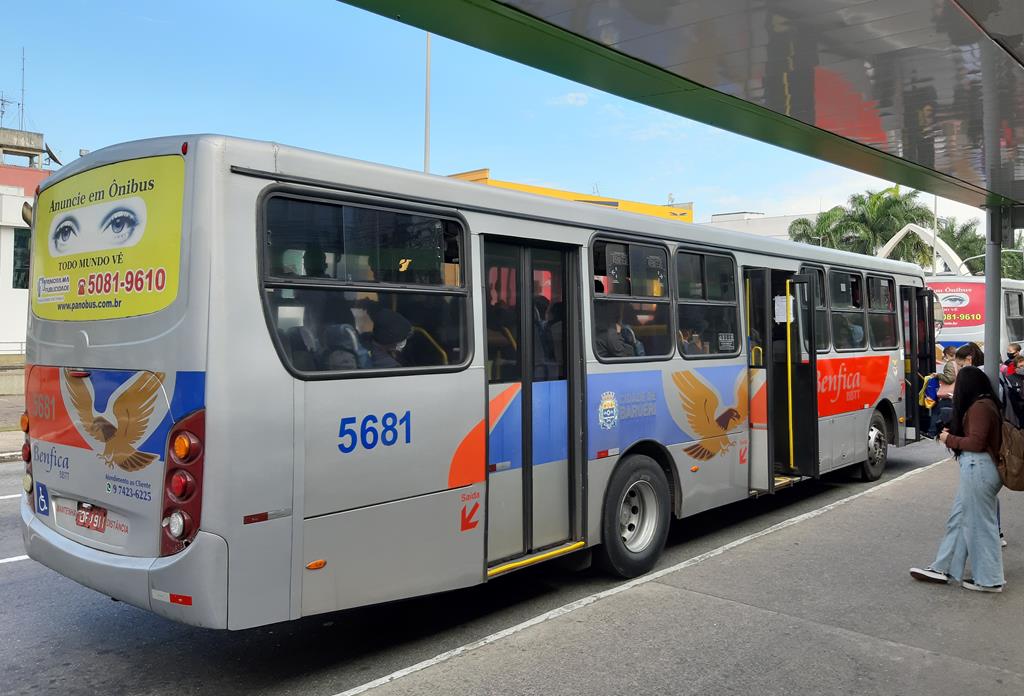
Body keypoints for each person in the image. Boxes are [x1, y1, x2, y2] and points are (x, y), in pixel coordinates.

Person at [910, 366, 1005, 592]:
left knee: (980, 525)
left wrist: (948, 438)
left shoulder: (979, 407)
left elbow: (976, 443)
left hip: (978, 467)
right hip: (980, 468)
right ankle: (943, 568)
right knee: (960, 519)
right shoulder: (987, 404)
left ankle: (990, 580)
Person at [928, 345, 958, 438]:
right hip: (954, 393)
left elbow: (949, 379)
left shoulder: (950, 364)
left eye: (944, 355)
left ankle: (932, 433)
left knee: (936, 412)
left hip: (948, 394)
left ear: (947, 354)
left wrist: (938, 375)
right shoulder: (958, 363)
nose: (944, 357)